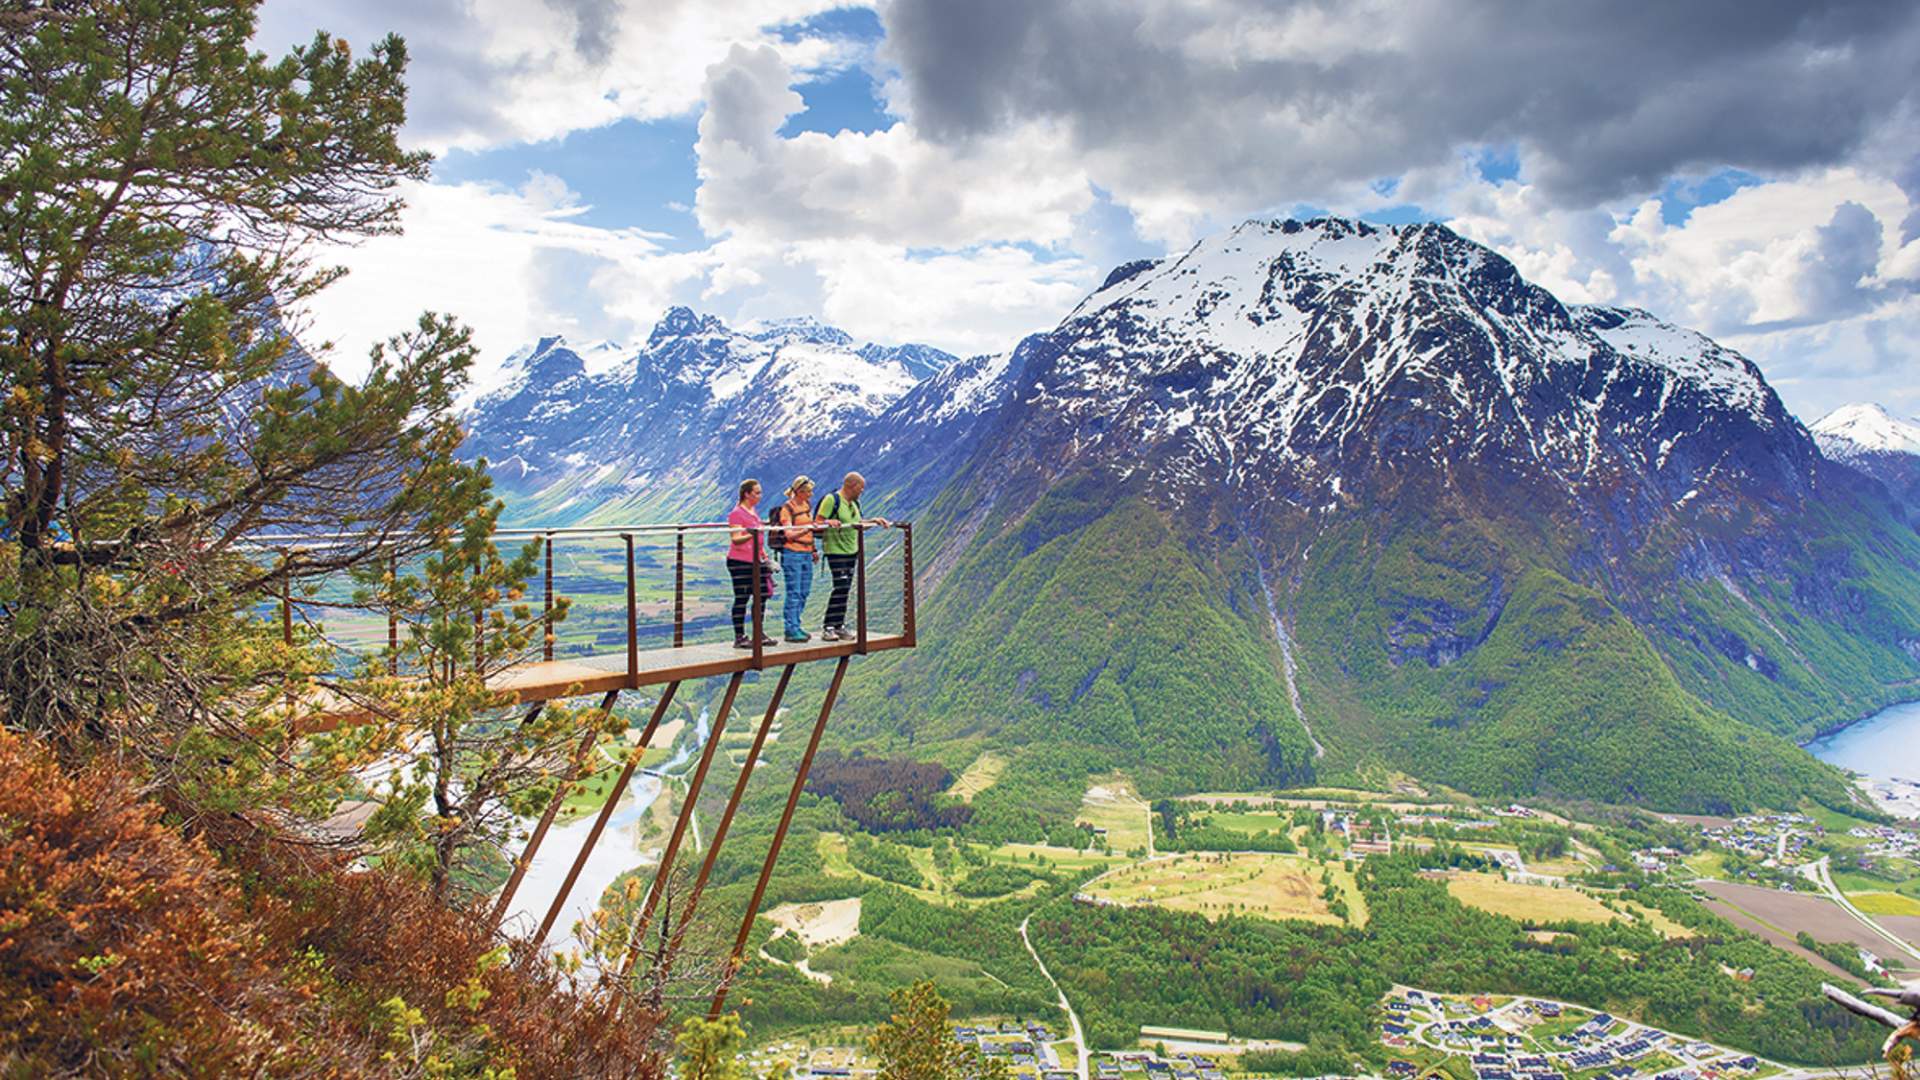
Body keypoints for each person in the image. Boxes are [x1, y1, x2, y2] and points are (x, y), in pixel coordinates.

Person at [814, 471, 890, 641]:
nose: (862, 491)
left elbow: (857, 524)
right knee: (840, 586)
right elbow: (817, 523)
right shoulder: (831, 500)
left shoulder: (854, 503)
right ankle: (828, 626)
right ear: (852, 485)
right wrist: (828, 522)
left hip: (851, 550)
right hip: (835, 550)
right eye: (861, 488)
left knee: (845, 588)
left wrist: (875, 521)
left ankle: (839, 625)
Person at [767, 475, 819, 643]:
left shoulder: (806, 505)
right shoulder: (787, 509)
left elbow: (809, 530)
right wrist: (806, 529)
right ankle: (791, 629)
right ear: (800, 491)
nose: (811, 494)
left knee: (804, 591)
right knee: (794, 592)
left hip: (806, 553)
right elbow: (788, 533)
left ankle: (797, 624)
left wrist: (813, 549)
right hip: (792, 553)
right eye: (808, 491)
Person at [726, 479, 776, 649]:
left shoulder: (752, 511)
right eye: (757, 493)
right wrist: (751, 533)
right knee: (742, 598)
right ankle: (739, 636)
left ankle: (758, 633)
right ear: (747, 494)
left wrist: (764, 555)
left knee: (761, 596)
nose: (760, 496)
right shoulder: (736, 513)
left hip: (756, 560)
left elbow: (758, 539)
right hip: (740, 561)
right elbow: (736, 538)